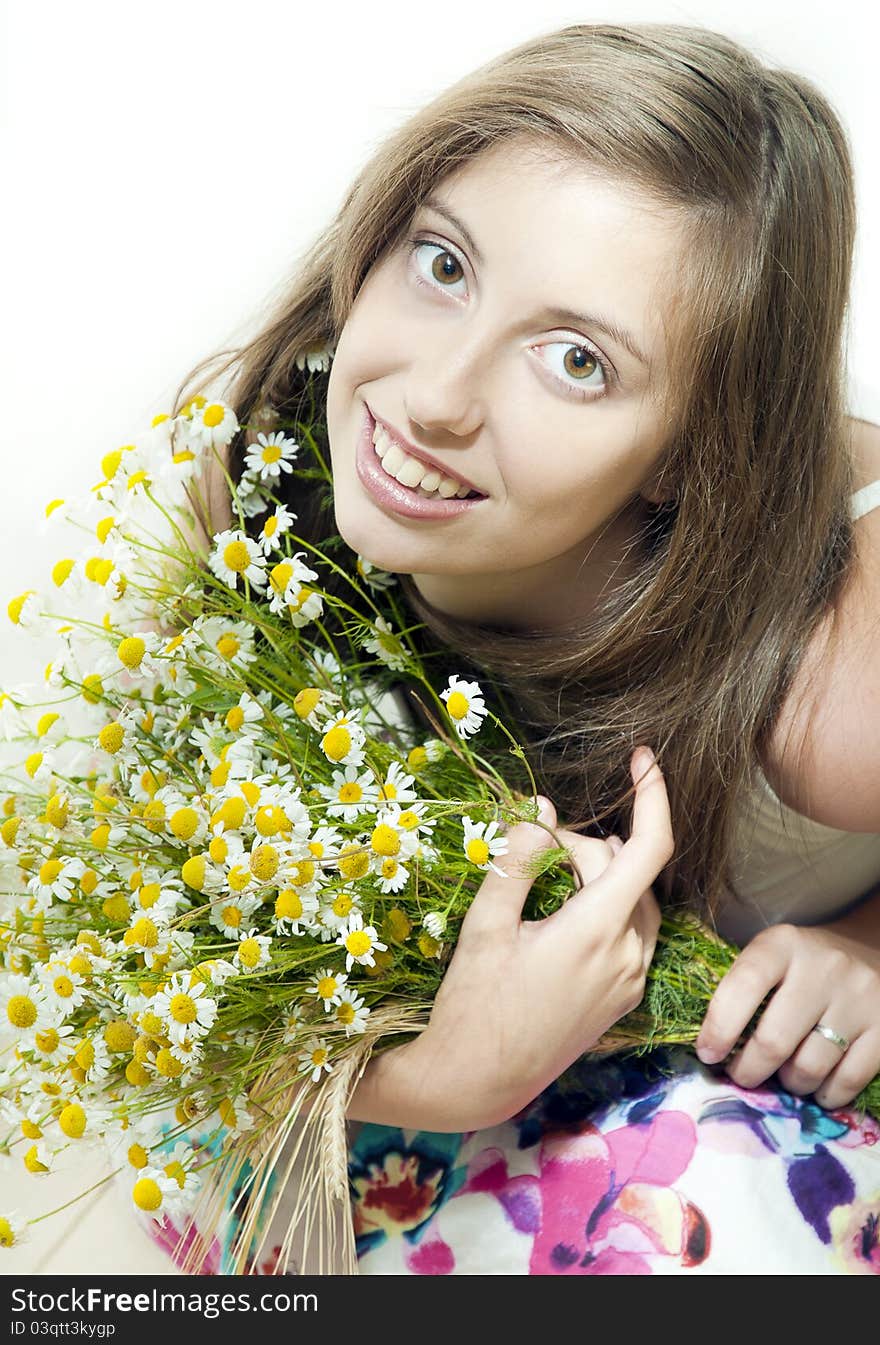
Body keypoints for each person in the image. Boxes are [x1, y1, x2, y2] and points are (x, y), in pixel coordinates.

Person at [155, 21, 880, 1273]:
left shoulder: (832, 693)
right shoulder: (279, 512)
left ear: (690, 461)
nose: (436, 393)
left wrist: (869, 950)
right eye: (443, 263)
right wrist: (444, 1077)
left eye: (578, 361)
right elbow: (175, 989)